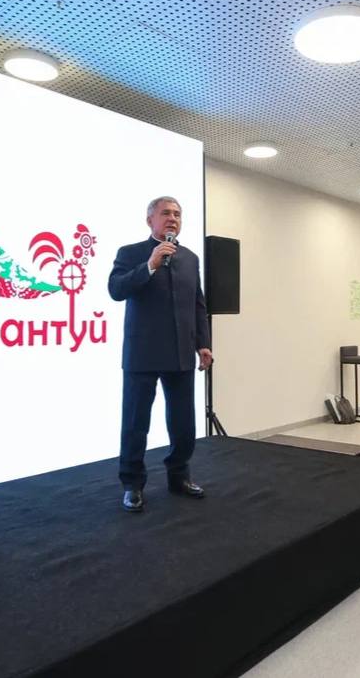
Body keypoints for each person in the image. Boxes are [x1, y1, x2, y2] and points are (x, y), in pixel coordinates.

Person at [108, 196, 213, 513]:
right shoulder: (131, 253)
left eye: (177, 214)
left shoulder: (190, 258)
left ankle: (179, 477)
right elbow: (116, 290)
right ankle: (133, 485)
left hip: (180, 351)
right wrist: (150, 265)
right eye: (166, 213)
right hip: (142, 352)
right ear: (149, 220)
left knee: (183, 424)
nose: (173, 218)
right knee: (135, 423)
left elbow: (197, 303)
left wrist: (203, 343)